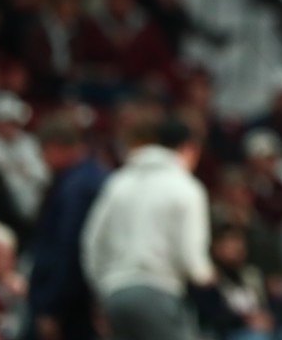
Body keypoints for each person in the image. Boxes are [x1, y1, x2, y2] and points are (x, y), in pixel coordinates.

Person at [81, 116, 214, 340]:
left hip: (114, 294)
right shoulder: (186, 187)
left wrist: (103, 287)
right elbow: (192, 259)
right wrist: (206, 275)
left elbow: (92, 242)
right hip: (158, 291)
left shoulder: (118, 181)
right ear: (189, 148)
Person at [24, 116, 108, 340]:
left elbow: (68, 249)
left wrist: (52, 307)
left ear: (55, 146)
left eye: (43, 151)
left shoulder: (77, 186)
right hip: (82, 297)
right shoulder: (93, 176)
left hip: (70, 304)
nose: (42, 159)